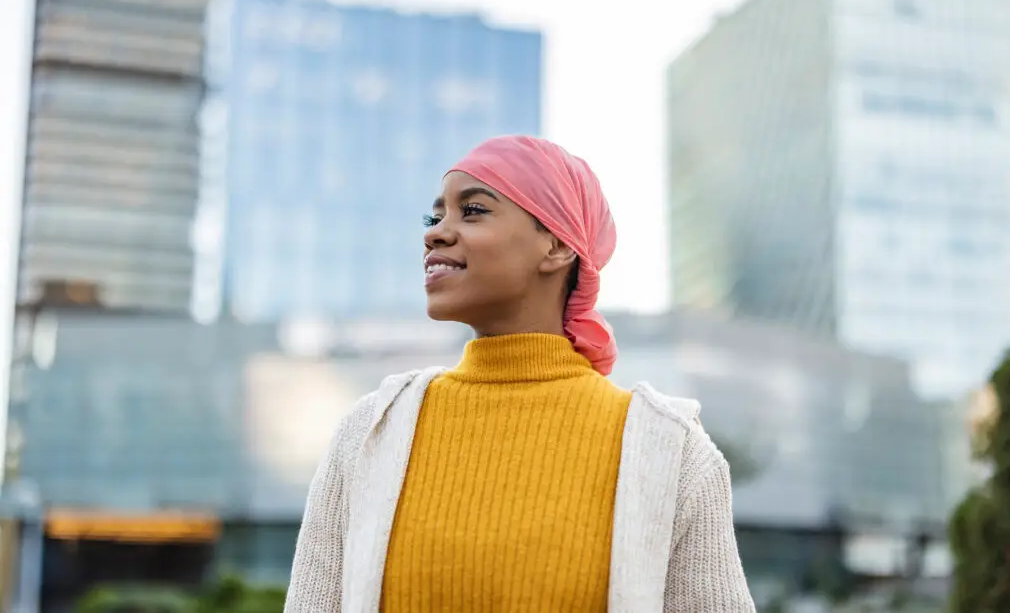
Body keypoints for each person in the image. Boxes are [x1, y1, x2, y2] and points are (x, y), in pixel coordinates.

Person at [284, 135, 755, 612]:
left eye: (473, 211)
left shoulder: (671, 451)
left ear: (555, 245)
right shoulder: (370, 432)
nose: (435, 233)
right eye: (436, 216)